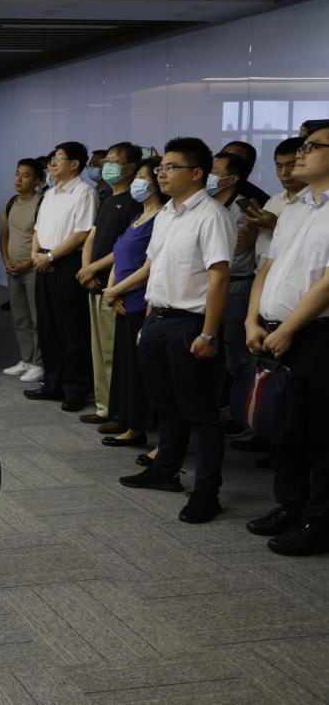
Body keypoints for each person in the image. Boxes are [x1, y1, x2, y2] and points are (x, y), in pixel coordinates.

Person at [119, 137, 235, 525]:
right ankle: (165, 470)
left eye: (171, 167)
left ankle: (207, 492)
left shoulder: (212, 215)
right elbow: (156, 270)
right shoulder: (166, 214)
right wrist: (148, 321)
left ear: (197, 173)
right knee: (166, 404)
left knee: (199, 411)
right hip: (158, 320)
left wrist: (209, 334)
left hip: (191, 324)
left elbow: (219, 277)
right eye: (161, 167)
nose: (161, 174)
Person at [244, 127, 329, 554]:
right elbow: (268, 267)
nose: (301, 153)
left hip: (316, 335)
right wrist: (251, 320)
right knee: (281, 424)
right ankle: (290, 506)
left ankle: (320, 522)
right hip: (272, 329)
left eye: (312, 147)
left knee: (320, 432)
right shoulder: (294, 209)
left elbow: (328, 283)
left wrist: (289, 328)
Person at [25, 141, 98, 411]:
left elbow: (82, 233)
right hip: (43, 261)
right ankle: (52, 383)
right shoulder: (50, 194)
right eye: (52, 158)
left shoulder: (84, 192)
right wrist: (36, 254)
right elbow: (38, 228)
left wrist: (51, 257)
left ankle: (76, 388)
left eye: (59, 158)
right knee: (47, 327)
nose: (52, 163)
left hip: (67, 264)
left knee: (72, 329)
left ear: (75, 164)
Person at [101, 156, 167, 447]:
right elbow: (120, 254)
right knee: (124, 365)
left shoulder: (161, 218)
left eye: (142, 177)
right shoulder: (137, 216)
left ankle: (138, 426)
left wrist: (115, 291)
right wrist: (112, 289)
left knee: (138, 369)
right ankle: (127, 420)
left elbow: (148, 268)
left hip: (140, 301)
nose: (137, 183)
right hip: (122, 298)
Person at [76, 142, 142, 425]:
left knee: (113, 351)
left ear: (130, 167)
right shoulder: (106, 197)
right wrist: (86, 268)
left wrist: (93, 268)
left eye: (114, 160)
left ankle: (117, 410)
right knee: (98, 349)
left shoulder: (133, 202)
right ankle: (103, 406)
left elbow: (124, 248)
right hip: (94, 281)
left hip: (115, 286)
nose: (106, 166)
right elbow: (92, 236)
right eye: (107, 161)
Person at [208, 151, 260, 431]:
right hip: (209, 283)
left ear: (232, 179)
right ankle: (218, 404)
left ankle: (241, 415)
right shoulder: (207, 203)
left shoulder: (245, 206)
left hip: (237, 282)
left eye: (216, 172)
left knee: (236, 353)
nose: (210, 176)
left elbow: (249, 247)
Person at [0, 158, 45, 382]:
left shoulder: (41, 203)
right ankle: (26, 359)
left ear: (37, 180)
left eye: (26, 175)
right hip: (13, 269)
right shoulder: (11, 203)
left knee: (37, 318)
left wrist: (28, 263)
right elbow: (4, 234)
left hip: (33, 268)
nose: (19, 179)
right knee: (20, 317)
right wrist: (5, 259)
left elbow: (43, 238)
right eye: (17, 173)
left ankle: (39, 363)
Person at [247, 137, 307, 270]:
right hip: (261, 273)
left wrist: (273, 224)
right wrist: (251, 224)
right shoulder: (274, 200)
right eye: (279, 166)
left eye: (291, 165)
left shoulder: (315, 202)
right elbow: (250, 244)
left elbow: (307, 247)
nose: (284, 173)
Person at [221, 140, 270, 207]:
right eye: (223, 155)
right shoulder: (208, 187)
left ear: (250, 166)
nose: (226, 161)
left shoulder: (263, 200)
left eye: (235, 158)